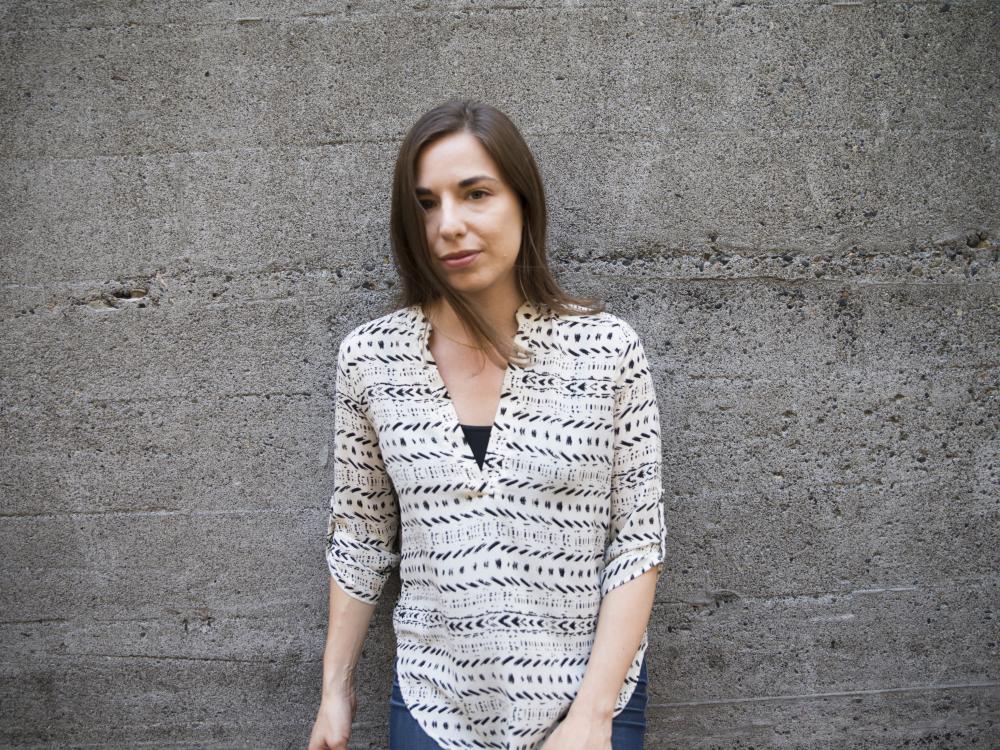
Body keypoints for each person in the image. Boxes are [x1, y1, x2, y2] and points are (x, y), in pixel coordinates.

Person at [308, 99, 666, 750]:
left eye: (475, 194)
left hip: (590, 698)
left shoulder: (608, 350)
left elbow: (638, 543)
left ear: (522, 202)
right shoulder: (371, 359)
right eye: (426, 203)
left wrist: (592, 716)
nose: (448, 224)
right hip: (433, 701)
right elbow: (360, 535)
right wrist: (335, 690)